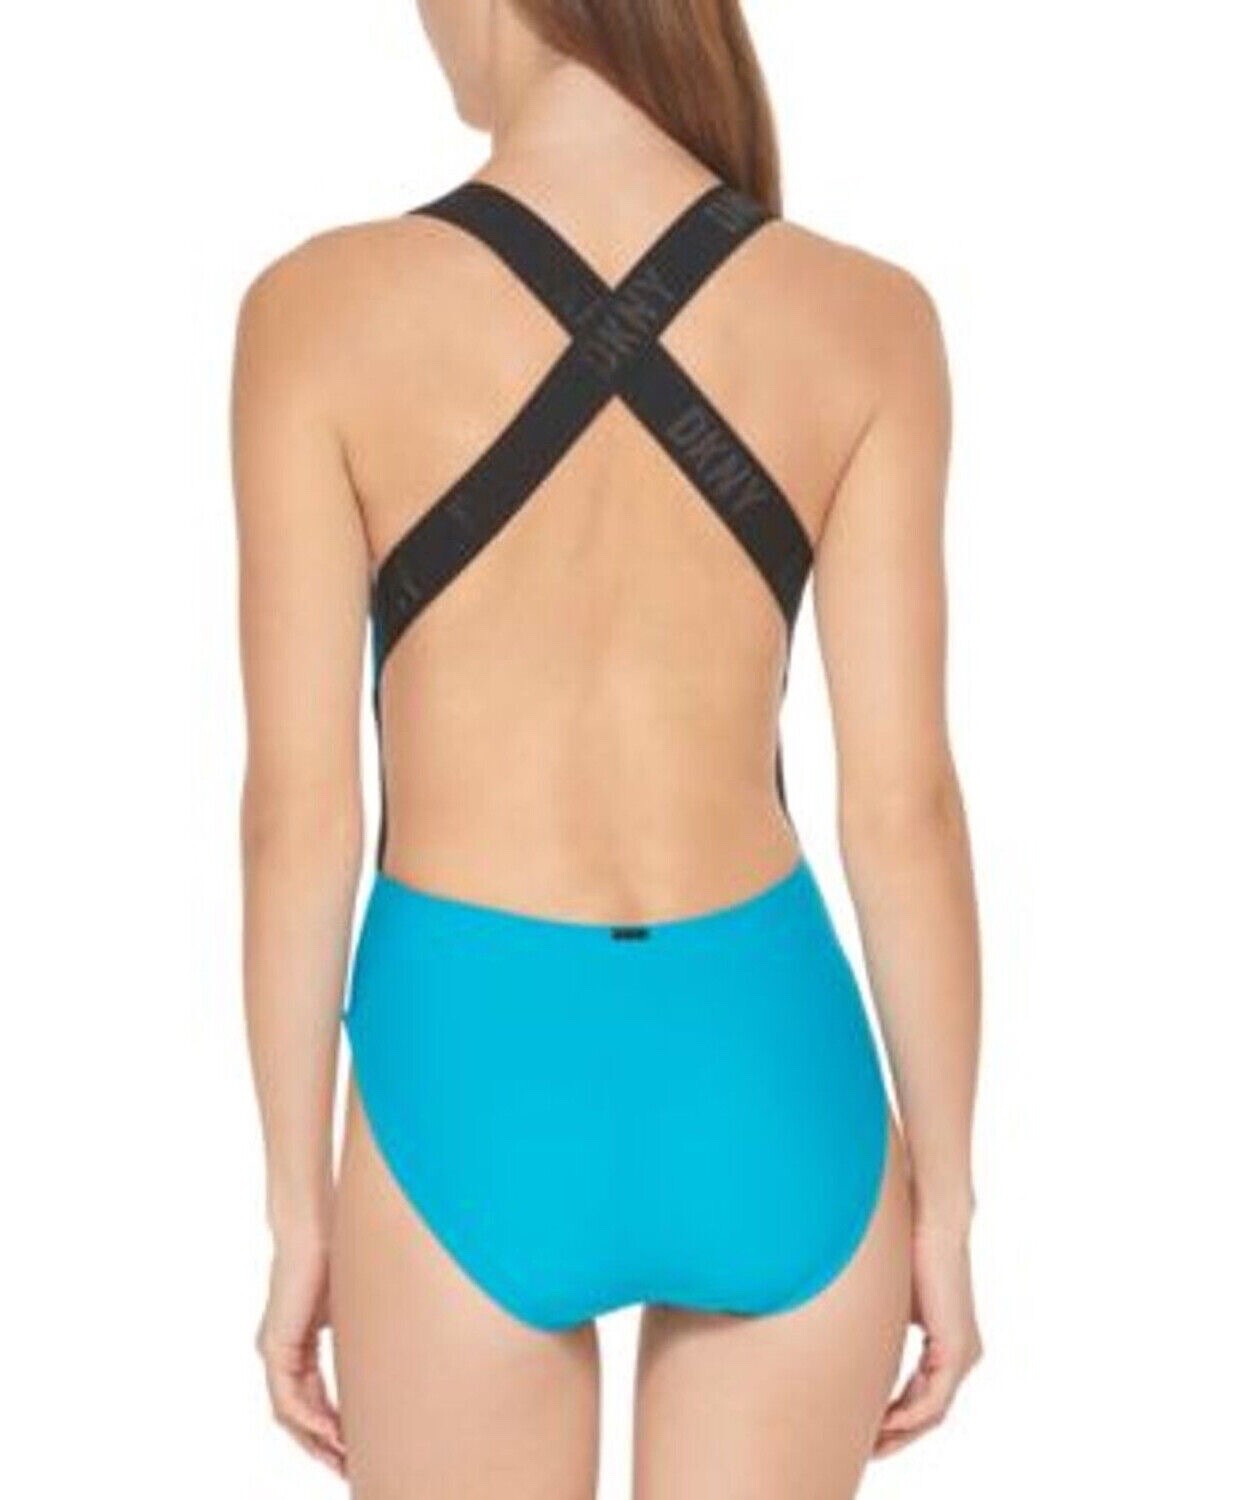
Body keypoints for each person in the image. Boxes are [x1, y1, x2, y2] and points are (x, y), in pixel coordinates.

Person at [231, 2, 982, 1494]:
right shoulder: (866, 316)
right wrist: (947, 1205)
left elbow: (298, 823)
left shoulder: (316, 310)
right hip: (770, 1061)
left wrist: (297, 1211)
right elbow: (905, 810)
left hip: (472, 1062)